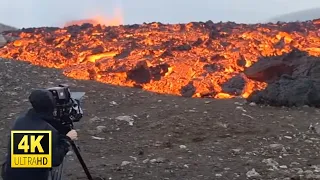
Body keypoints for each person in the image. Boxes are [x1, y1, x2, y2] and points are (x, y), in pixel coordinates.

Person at [1, 89, 78, 180]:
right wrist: (67, 139)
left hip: (10, 174)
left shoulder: (20, 120)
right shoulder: (46, 129)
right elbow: (55, 160)